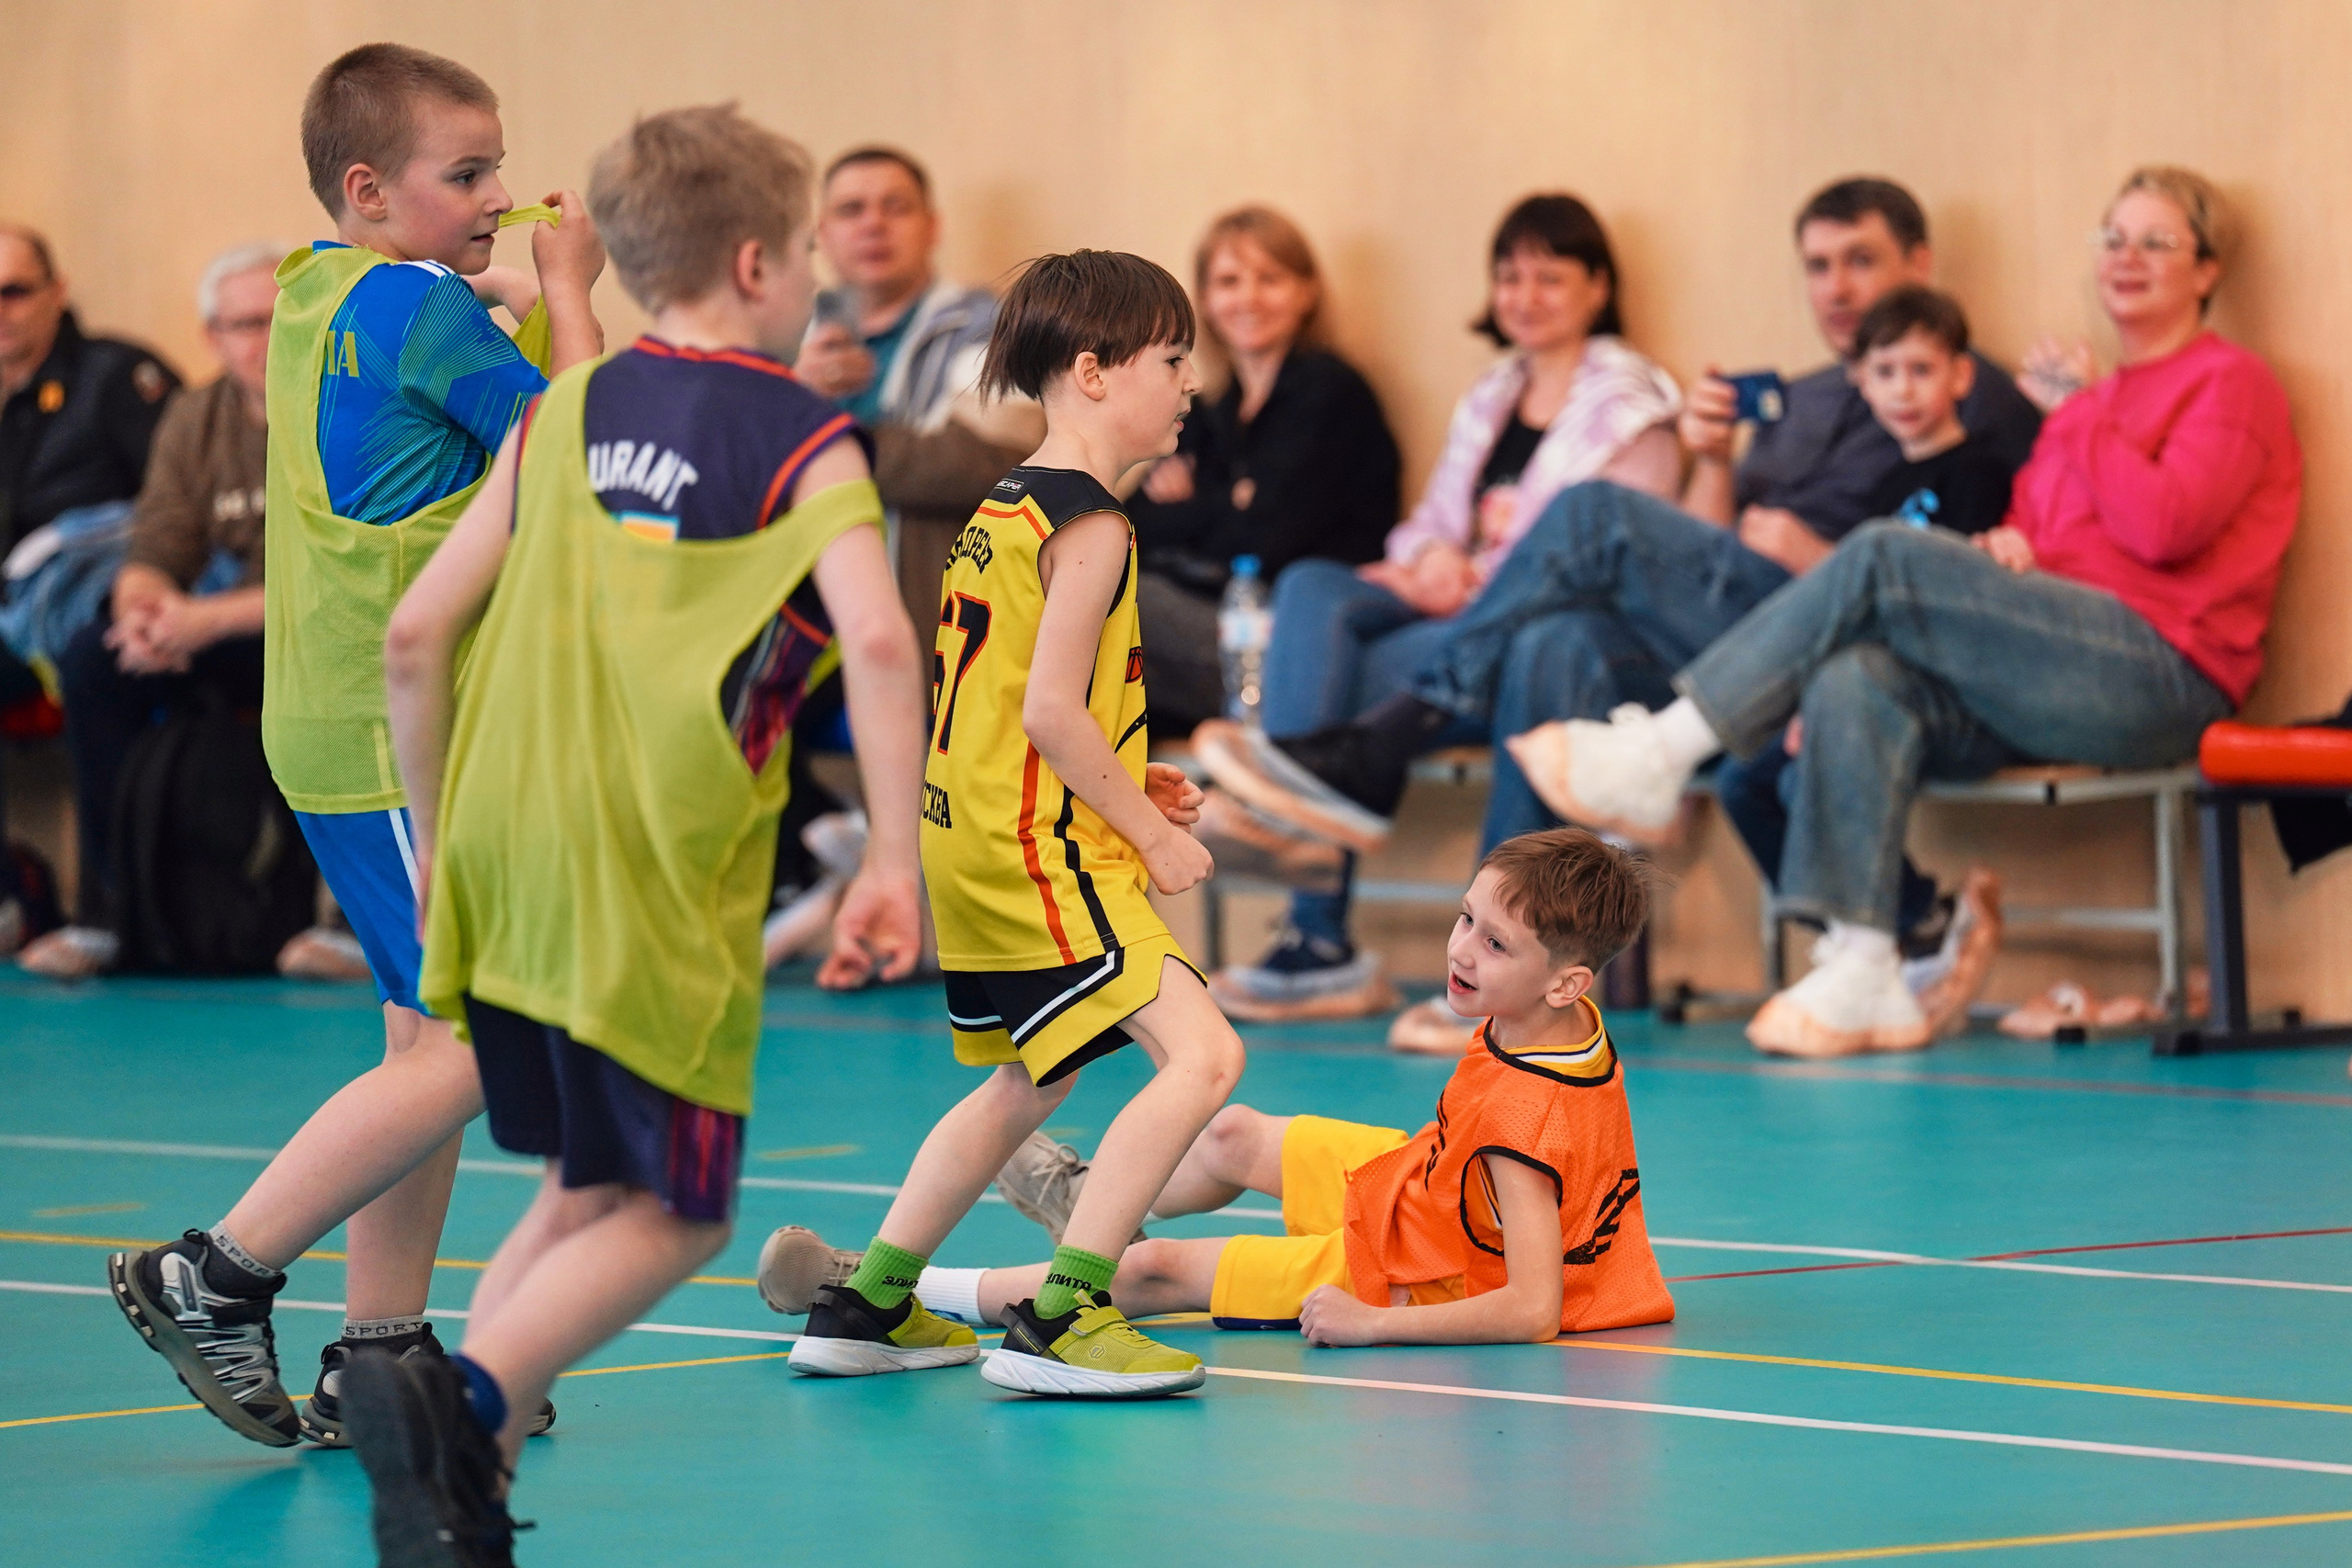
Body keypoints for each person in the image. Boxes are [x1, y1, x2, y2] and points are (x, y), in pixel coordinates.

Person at [346, 103, 928, 1560]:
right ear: (754, 262)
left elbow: (417, 636)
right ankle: (460, 1397)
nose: (815, 274)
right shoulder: (803, 435)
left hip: (497, 849)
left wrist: (439, 848)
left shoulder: (562, 408)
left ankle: (459, 1486)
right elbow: (878, 641)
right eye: (804, 249)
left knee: (585, 1184)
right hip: (654, 872)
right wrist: (894, 859)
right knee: (679, 1215)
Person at [1193, 177, 2043, 1047]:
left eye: (1861, 261)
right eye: (1819, 266)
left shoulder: (1978, 400)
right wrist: (1712, 460)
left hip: (1828, 632)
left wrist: (1809, 554)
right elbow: (1704, 548)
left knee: (1585, 534)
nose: (1837, 287)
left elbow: (1971, 576)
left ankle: (1378, 771)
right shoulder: (1804, 399)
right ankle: (1442, 938)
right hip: (1733, 632)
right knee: (1412, 606)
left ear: (1921, 267)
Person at [1508, 166, 2298, 1058]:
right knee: (1858, 676)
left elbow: (2161, 528)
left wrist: (2075, 418)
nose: (2126, 258)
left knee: (1883, 550)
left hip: (2159, 671)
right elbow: (2035, 522)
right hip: (2047, 658)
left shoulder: (2228, 385)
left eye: (2155, 242)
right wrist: (2010, 546)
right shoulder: (2092, 405)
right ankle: (1863, 964)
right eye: (2112, 238)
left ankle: (1663, 748)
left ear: (2206, 269)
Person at [106, 42, 603, 1451]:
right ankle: (214, 1270)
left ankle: (380, 1346)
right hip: (401, 732)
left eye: (501, 164)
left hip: (340, 715)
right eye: (470, 175)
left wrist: (485, 280)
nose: (501, 194)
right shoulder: (424, 313)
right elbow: (574, 459)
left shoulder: (321, 287)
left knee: (418, 1033)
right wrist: (565, 296)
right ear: (370, 186)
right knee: (482, 1034)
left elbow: (425, 367)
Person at [785, 250, 1247, 1398]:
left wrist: (1137, 779)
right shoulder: (1093, 524)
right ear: (1092, 372)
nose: (1190, 383)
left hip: (973, 835)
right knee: (1206, 1055)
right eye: (1172, 358)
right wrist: (1151, 833)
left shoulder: (1003, 504)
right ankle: (1066, 1315)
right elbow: (1048, 712)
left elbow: (1015, 703)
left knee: (1024, 1085)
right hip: (1039, 846)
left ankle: (870, 1301)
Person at [760, 829, 1676, 1350]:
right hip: (1432, 1188)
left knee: (1150, 1271)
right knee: (1232, 1132)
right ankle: (1094, 1197)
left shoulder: (1526, 1117)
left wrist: (1369, 1326)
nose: (1461, 950)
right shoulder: (1548, 1026)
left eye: (1494, 945)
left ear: (1567, 982)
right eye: (1464, 920)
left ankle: (899, 1283)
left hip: (1429, 1273)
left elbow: (1532, 1307)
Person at [1192, 193, 1683, 1025]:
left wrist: (1478, 580)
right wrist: (1430, 560)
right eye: (1510, 277)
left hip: (1547, 643)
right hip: (1453, 636)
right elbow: (1430, 521)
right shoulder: (1491, 396)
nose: (1526, 295)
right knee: (1313, 586)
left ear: (1598, 287)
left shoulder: (1636, 407)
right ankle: (1316, 914)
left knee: (1484, 652)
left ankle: (1439, 955)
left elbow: (1614, 565)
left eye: (1550, 276)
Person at [20, 243, 336, 978]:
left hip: (329, 629)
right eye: (246, 324)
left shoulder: (346, 409)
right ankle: (110, 913)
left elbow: (343, 578)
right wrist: (144, 611)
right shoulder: (196, 418)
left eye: (286, 317)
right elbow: (159, 541)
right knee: (97, 658)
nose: (268, 338)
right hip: (234, 632)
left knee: (335, 661)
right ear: (213, 338)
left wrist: (206, 621)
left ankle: (349, 921)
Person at [763, 145, 1041, 973]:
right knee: (707, 686)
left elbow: (985, 457)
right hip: (801, 608)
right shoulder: (792, 332)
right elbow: (734, 469)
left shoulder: (984, 326)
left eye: (894, 206)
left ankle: (861, 879)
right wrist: (792, 394)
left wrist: (816, 432)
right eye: (851, 209)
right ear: (821, 233)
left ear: (932, 226)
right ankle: (811, 870)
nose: (873, 225)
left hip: (935, 612)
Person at [1125, 206, 1400, 735]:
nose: (1248, 298)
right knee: (1094, 590)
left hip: (1304, 642)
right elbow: (1131, 523)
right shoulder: (1212, 411)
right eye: (1229, 281)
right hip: (1227, 622)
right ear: (1205, 300)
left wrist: (1194, 505)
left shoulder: (1330, 392)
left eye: (1270, 279)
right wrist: (1231, 502)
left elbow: (1267, 541)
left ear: (1307, 293)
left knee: (1118, 602)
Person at [0, 222, 180, 954]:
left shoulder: (117, 377)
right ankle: (16, 887)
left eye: (13, 291)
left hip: (109, 614)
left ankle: (108, 917)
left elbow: (176, 512)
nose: (1, 310)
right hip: (14, 628)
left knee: (95, 657)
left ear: (55, 292)